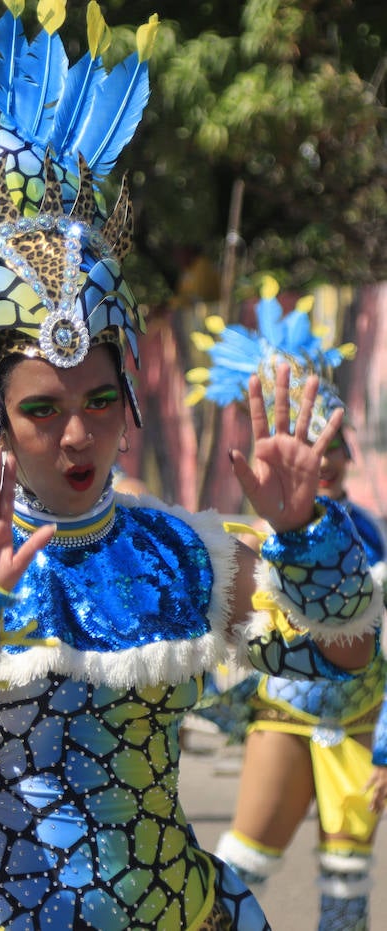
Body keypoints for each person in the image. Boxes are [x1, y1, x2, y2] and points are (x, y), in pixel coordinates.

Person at [0, 5, 380, 928]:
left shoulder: (180, 549)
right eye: (42, 409)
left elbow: (342, 659)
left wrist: (304, 534)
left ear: (130, 401)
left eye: (100, 402)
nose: (76, 435)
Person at [187, 277, 387, 930]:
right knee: (238, 868)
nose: (318, 463)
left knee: (347, 888)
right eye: (306, 447)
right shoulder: (250, 541)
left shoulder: (371, 535)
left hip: (359, 722)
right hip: (285, 714)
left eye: (329, 449)